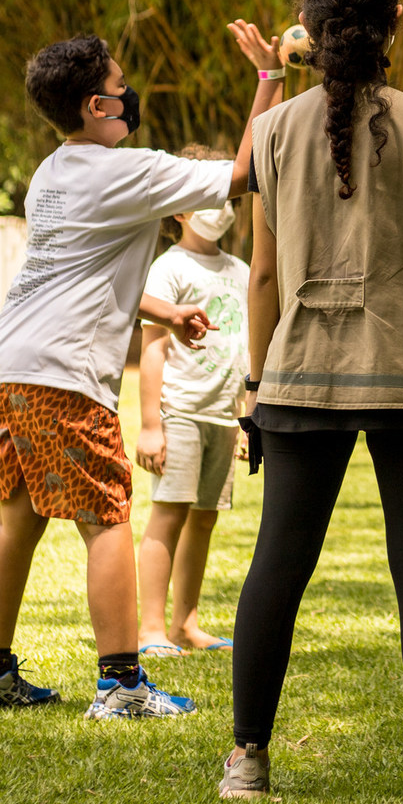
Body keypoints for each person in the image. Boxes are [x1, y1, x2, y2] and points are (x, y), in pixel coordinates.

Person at [0, 24, 286, 721]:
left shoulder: (51, 173)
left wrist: (163, 308)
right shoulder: (128, 169)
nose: (131, 97)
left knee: (19, 519)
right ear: (98, 105)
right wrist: (268, 79)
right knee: (107, 520)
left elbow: (77, 273)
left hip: (5, 371)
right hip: (63, 377)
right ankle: (123, 683)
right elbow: (243, 175)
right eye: (124, 88)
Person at [222, 0, 403, 804]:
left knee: (276, 567)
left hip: (297, 374)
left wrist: (256, 387)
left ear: (313, 23)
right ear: (397, 23)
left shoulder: (269, 130)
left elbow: (260, 273)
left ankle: (246, 763)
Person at [135, 145, 250, 658]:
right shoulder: (167, 269)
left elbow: (248, 352)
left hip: (223, 417)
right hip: (178, 411)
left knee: (204, 518)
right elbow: (153, 350)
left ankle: (187, 623)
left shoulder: (243, 271)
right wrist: (150, 425)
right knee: (169, 514)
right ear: (178, 207)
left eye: (227, 197)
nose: (220, 207)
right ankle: (151, 630)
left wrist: (246, 421)